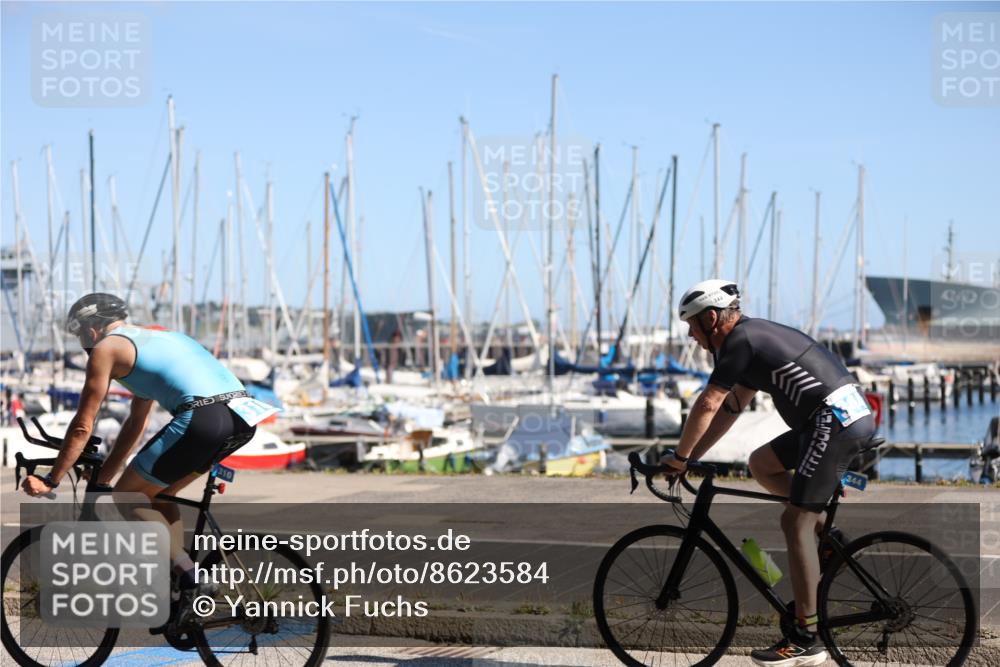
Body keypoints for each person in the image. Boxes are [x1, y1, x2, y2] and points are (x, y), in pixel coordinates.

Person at [662, 279, 875, 667]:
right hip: (832, 419)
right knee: (762, 463)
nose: (691, 336)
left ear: (711, 318)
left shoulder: (741, 341)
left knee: (794, 522)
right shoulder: (749, 341)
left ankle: (806, 637)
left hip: (834, 421)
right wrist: (692, 456)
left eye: (692, 325)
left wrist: (678, 456)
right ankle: (828, 537)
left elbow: (710, 401)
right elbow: (730, 408)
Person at [21, 293, 276, 594]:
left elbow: (81, 426)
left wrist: (51, 479)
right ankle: (181, 585)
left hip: (203, 418)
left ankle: (192, 576)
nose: (82, 343)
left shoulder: (105, 349)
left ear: (90, 330)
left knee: (128, 498)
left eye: (79, 335)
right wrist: (104, 480)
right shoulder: (155, 338)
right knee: (159, 495)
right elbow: (135, 424)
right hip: (243, 417)